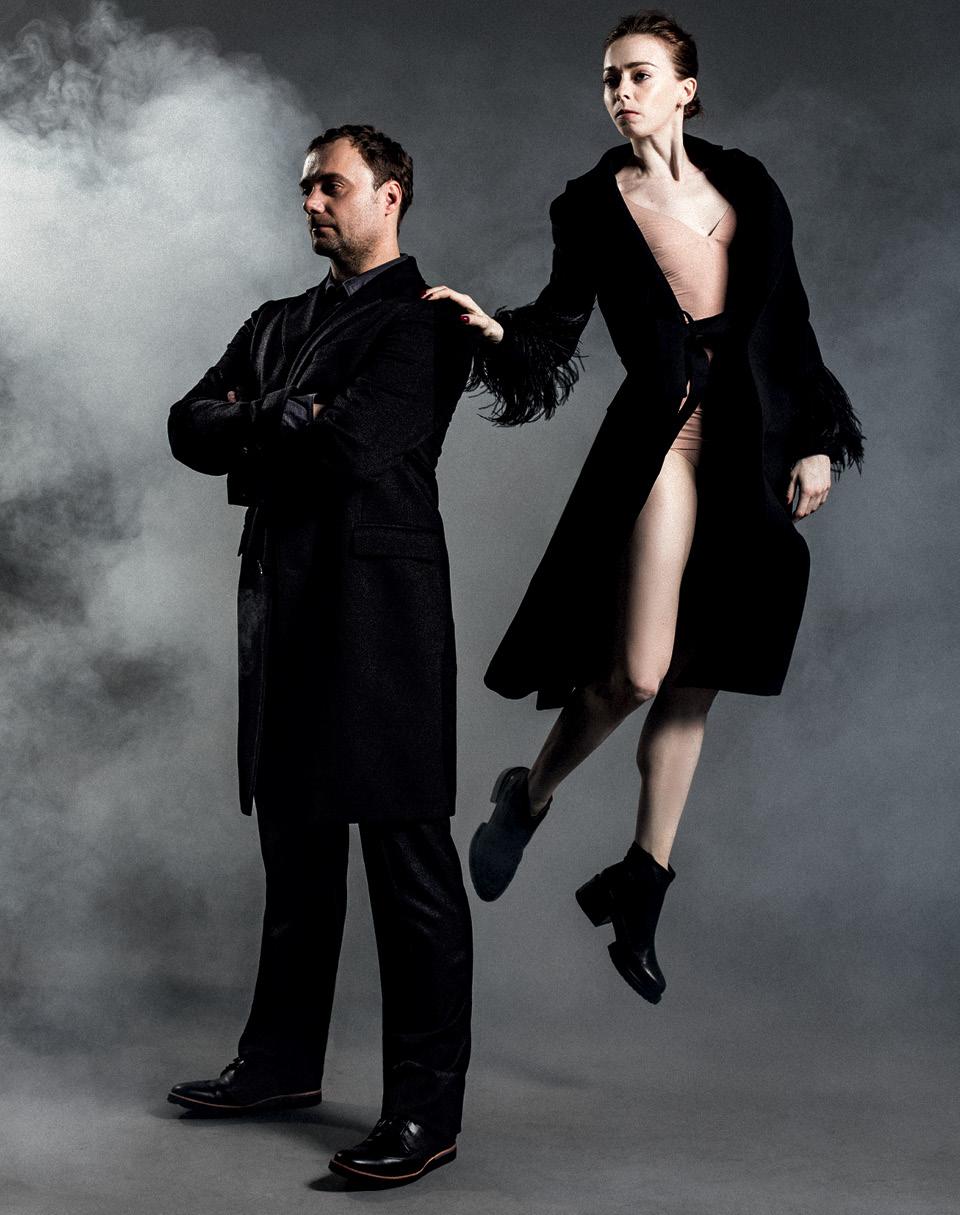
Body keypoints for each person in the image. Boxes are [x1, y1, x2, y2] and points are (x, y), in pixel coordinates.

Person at [423, 10, 864, 1005]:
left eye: (639, 75)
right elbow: (559, 322)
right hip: (664, 435)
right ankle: (528, 794)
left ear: (685, 89)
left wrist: (814, 437)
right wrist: (497, 334)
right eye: (610, 79)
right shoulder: (589, 205)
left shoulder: (747, 183)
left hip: (751, 439)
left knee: (700, 677)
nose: (620, 92)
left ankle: (643, 879)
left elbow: (789, 316)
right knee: (638, 671)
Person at [166, 125, 476, 1188]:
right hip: (284, 607)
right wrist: (277, 413)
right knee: (296, 858)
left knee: (407, 866)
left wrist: (257, 428)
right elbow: (185, 424)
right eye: (305, 187)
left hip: (382, 617)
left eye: (331, 186)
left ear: (389, 196)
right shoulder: (275, 321)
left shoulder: (427, 322)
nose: (310, 203)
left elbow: (349, 447)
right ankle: (280, 1066)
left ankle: (425, 1114)